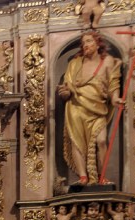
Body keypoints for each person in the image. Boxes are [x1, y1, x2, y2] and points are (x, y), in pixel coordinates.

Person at [57, 31, 122, 186]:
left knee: (101, 141)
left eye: (89, 41)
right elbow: (67, 86)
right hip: (76, 107)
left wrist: (115, 98)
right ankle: (83, 177)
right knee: (77, 142)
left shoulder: (108, 61)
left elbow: (113, 83)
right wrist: (65, 92)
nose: (85, 45)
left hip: (98, 107)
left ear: (98, 43)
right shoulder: (75, 63)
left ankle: (102, 176)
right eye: (84, 43)